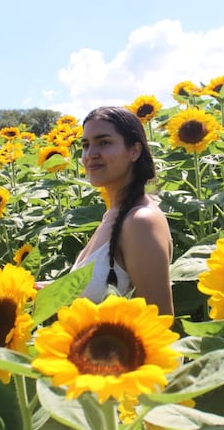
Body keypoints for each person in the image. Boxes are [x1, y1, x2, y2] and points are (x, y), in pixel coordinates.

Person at [38, 106, 174, 315]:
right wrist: (58, 293)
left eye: (104, 142)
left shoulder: (141, 221)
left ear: (134, 151)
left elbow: (159, 320)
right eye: (86, 145)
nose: (90, 154)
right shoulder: (114, 214)